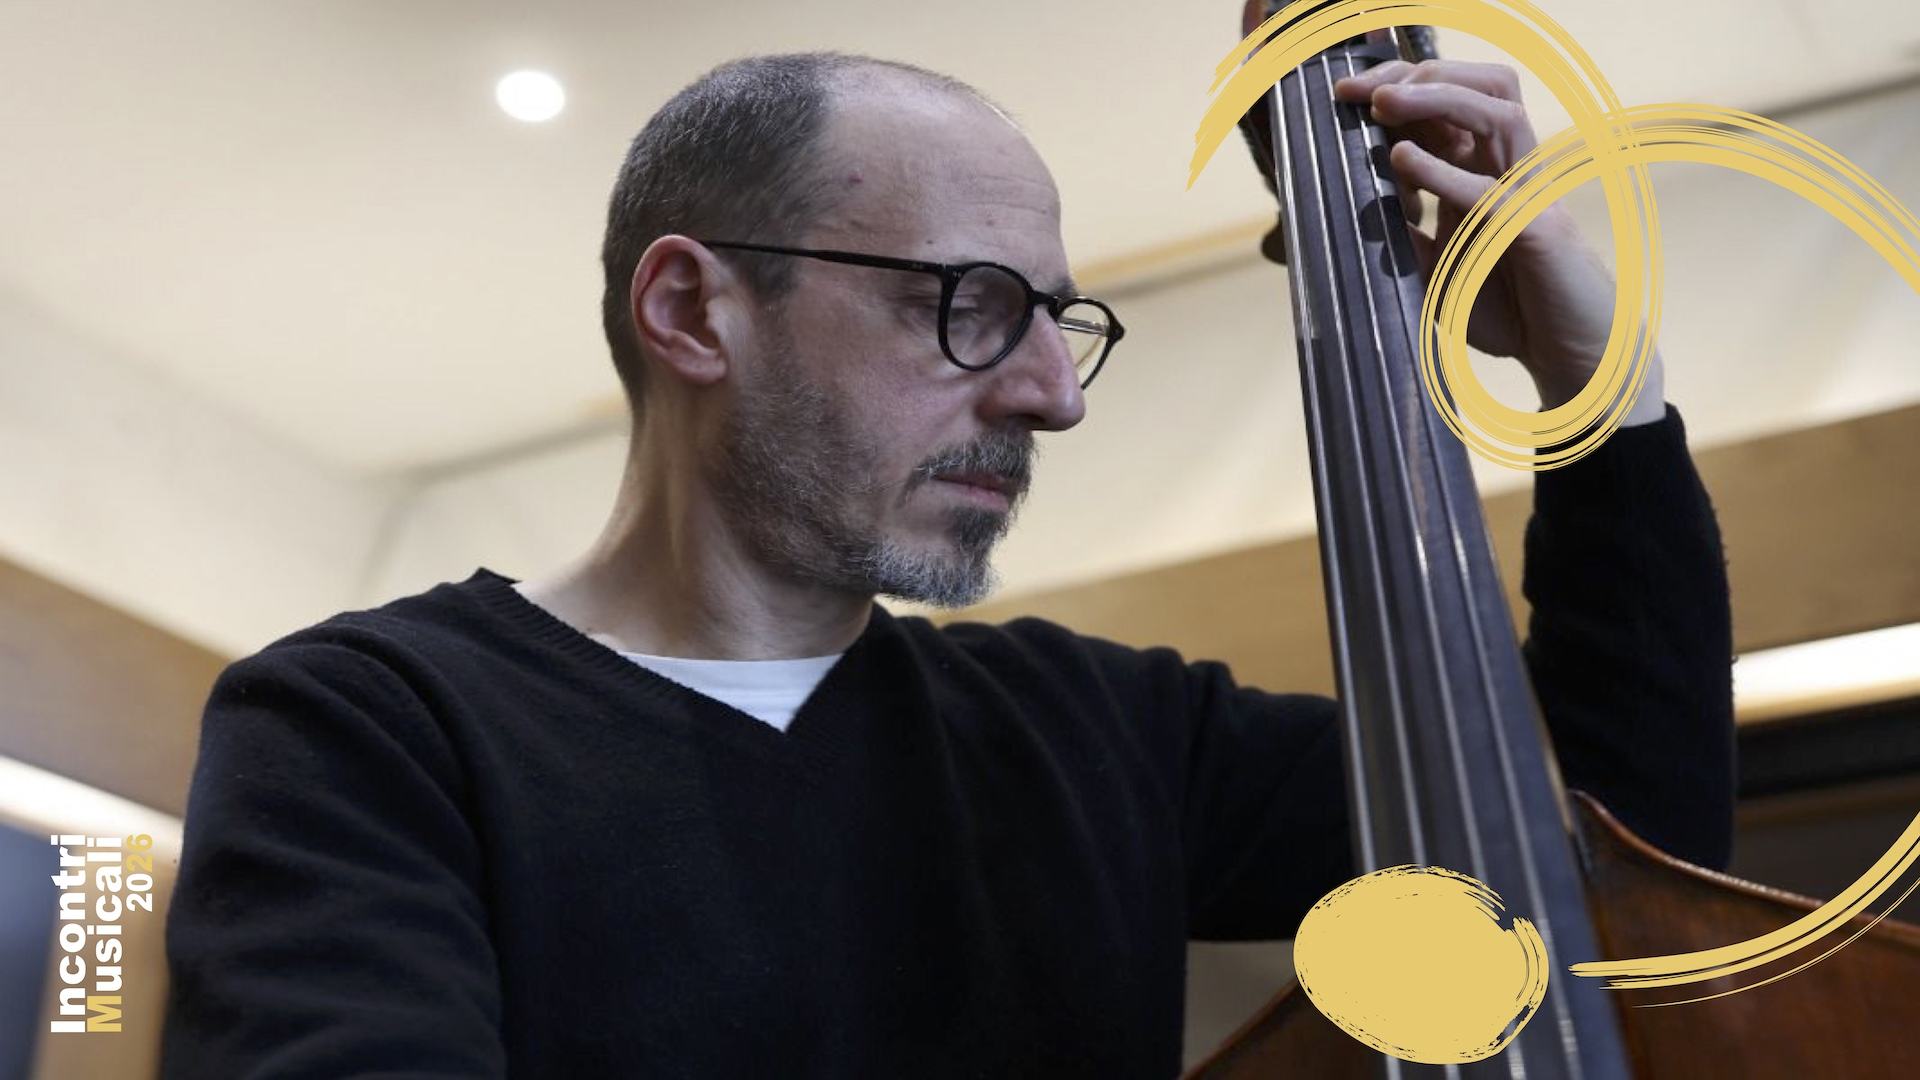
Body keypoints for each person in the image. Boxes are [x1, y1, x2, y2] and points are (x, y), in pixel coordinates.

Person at [160, 52, 1733, 1078]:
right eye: (973, 305)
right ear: (694, 311)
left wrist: (1599, 386)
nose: (1052, 394)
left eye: (1059, 320)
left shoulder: (1104, 736)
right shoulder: (367, 730)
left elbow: (1618, 857)